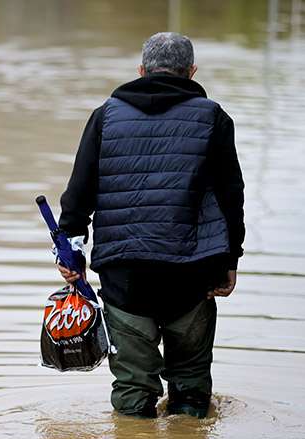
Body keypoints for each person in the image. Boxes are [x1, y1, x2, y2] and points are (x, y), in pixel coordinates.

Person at [56, 32, 245, 419]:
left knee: (132, 390)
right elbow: (231, 196)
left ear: (141, 71)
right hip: (192, 272)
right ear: (191, 72)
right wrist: (231, 260)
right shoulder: (213, 117)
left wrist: (71, 250)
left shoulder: (105, 116)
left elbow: (78, 193)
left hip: (125, 273)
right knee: (191, 385)